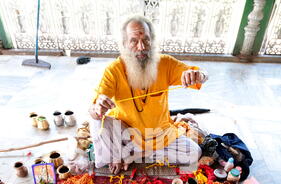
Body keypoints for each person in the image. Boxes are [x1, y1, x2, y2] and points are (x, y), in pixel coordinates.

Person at [89, 15, 208, 175]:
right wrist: (97, 108)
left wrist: (199, 75)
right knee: (96, 122)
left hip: (160, 135)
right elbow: (94, 109)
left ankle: (135, 155)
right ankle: (127, 153)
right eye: (133, 41)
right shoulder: (114, 70)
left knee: (194, 152)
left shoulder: (165, 63)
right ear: (124, 44)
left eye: (146, 40)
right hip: (126, 134)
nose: (141, 46)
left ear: (152, 41)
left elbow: (201, 74)